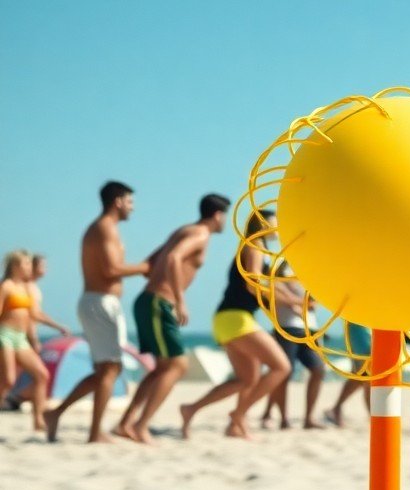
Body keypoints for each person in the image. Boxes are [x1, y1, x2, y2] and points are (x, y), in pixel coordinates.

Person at [114, 193, 230, 443]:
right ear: (218, 215)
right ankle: (140, 425)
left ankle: (126, 424)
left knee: (162, 368)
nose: (225, 223)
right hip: (159, 303)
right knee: (178, 365)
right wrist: (179, 299)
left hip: (151, 301)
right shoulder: (199, 234)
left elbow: (154, 261)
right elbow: (172, 258)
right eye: (225, 218)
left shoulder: (185, 230)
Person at [46, 182, 151, 443]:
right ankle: (94, 433)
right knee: (110, 368)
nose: (132, 208)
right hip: (99, 302)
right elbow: (111, 270)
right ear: (117, 201)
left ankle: (56, 413)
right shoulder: (104, 228)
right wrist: (146, 267)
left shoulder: (106, 228)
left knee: (106, 370)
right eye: (130, 202)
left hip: (101, 303)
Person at [179, 210, 292, 439]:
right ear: (262, 224)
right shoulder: (254, 246)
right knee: (281, 367)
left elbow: (263, 283)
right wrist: (292, 300)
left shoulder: (258, 250)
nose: (278, 226)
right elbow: (253, 285)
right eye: (274, 222)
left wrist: (289, 298)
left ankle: (193, 409)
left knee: (246, 379)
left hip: (229, 318)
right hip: (235, 319)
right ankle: (238, 415)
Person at [0, 251, 68, 432]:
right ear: (15, 266)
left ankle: (38, 421)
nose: (29, 267)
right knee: (8, 380)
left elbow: (35, 314)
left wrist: (57, 326)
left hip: (20, 338)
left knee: (41, 375)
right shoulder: (6, 286)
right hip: (4, 334)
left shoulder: (26, 288)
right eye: (26, 264)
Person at [260, 257, 326, 430]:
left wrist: (299, 304)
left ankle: (308, 418)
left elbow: (313, 305)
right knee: (284, 373)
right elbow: (280, 298)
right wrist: (300, 304)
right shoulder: (276, 280)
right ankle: (283, 419)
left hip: (309, 330)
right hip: (287, 329)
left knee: (318, 370)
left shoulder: (307, 281)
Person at [324, 323, 372, 427]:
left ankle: (336, 409)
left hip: (367, 327)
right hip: (359, 327)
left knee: (360, 377)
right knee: (366, 376)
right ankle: (374, 417)